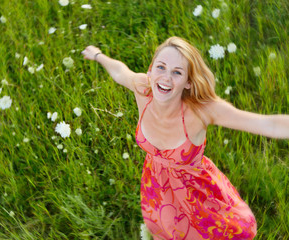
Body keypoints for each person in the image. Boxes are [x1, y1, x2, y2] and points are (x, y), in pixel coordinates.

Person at [81, 36, 289, 240]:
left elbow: (267, 123)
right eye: (160, 67)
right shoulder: (143, 89)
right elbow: (120, 72)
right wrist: (98, 55)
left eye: (177, 72)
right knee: (167, 230)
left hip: (197, 191)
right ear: (150, 69)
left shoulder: (200, 112)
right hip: (156, 184)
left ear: (188, 82)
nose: (165, 78)